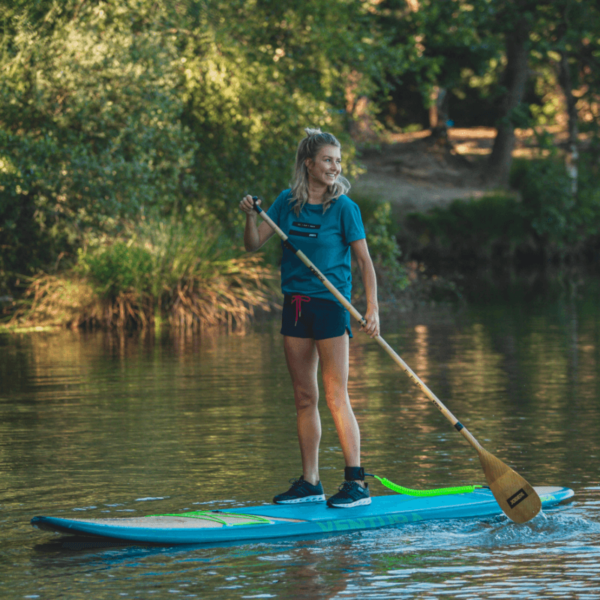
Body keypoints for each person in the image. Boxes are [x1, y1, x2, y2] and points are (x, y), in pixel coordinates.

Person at [239, 128, 380, 508]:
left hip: (331, 306)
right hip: (296, 305)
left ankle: (356, 482)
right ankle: (310, 482)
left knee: (336, 395)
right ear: (309, 164)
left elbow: (364, 262)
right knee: (305, 396)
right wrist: (252, 217)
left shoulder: (345, 208)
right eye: (328, 160)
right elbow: (253, 244)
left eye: (338, 161)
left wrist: (372, 309)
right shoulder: (287, 203)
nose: (335, 167)